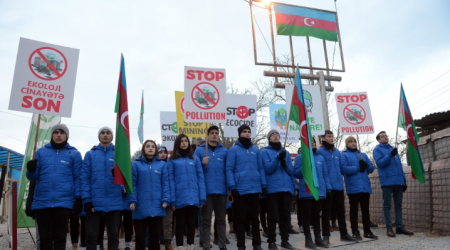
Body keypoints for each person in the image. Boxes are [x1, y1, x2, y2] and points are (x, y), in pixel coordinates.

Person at [26, 124, 83, 250]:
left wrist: (78, 198)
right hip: (43, 202)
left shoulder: (74, 154)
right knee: (44, 240)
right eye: (56, 132)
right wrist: (31, 170)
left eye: (62, 132)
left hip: (63, 202)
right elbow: (33, 178)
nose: (58, 135)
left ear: (66, 135)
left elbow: (78, 178)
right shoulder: (40, 152)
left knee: (60, 240)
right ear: (52, 134)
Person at [81, 127, 123, 250]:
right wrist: (86, 199)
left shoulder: (120, 154)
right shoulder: (90, 154)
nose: (105, 135)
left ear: (112, 136)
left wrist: (119, 177)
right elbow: (84, 178)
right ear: (99, 136)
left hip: (114, 200)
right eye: (102, 133)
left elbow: (127, 180)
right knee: (91, 236)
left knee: (113, 236)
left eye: (108, 133)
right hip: (94, 201)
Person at [226, 124, 266, 250]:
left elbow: (261, 169)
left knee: (255, 219)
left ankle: (257, 244)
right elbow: (229, 170)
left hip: (255, 189)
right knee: (240, 219)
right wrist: (233, 187)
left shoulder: (255, 150)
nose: (247, 133)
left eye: (249, 131)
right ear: (239, 134)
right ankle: (241, 245)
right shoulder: (233, 150)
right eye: (244, 131)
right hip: (240, 190)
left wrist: (263, 185)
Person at [317, 130, 357, 244]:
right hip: (327, 187)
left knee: (341, 211)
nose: (331, 138)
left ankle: (344, 234)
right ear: (323, 138)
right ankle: (325, 236)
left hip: (339, 186)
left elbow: (341, 169)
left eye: (332, 136)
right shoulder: (320, 152)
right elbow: (321, 171)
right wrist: (325, 186)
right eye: (329, 136)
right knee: (326, 212)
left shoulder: (337, 152)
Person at [129, 140, 170, 250]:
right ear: (143, 149)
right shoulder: (136, 164)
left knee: (154, 239)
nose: (150, 148)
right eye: (147, 146)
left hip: (157, 206)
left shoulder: (162, 165)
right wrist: (132, 201)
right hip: (140, 206)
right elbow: (133, 184)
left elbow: (165, 183)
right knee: (140, 239)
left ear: (156, 149)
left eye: (153, 146)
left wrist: (165, 200)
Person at [168, 134, 206, 250]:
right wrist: (172, 199)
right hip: (179, 198)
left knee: (191, 224)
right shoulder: (172, 160)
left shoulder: (195, 159)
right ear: (177, 144)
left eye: (186, 141)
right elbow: (171, 181)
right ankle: (179, 246)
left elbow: (200, 179)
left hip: (193, 198)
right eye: (182, 141)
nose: (184, 143)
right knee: (180, 225)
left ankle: (190, 246)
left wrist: (202, 197)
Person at [373, 131, 414, 237]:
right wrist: (390, 155)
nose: (385, 137)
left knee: (399, 205)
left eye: (386, 135)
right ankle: (389, 228)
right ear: (378, 140)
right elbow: (380, 164)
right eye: (382, 136)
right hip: (387, 181)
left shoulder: (393, 148)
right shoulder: (377, 150)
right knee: (387, 205)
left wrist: (403, 179)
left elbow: (399, 166)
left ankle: (399, 227)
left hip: (398, 181)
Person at [194, 125, 228, 250]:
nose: (214, 135)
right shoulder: (199, 151)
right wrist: (202, 164)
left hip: (221, 191)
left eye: (216, 133)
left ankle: (222, 245)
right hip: (206, 192)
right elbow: (195, 171)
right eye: (212, 133)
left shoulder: (224, 151)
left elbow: (227, 170)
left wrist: (229, 187)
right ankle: (206, 245)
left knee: (221, 220)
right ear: (207, 135)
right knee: (206, 220)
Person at [261, 130, 296, 250]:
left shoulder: (285, 152)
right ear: (269, 138)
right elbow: (268, 169)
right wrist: (277, 159)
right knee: (273, 216)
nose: (276, 136)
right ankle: (271, 242)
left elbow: (292, 172)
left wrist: (285, 164)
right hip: (273, 190)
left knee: (285, 217)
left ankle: (285, 240)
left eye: (277, 134)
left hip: (286, 189)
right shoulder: (265, 152)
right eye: (273, 135)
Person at [294, 139, 330, 249]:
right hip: (307, 191)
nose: (312, 143)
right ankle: (308, 239)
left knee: (316, 215)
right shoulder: (300, 157)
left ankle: (318, 238)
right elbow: (296, 173)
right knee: (306, 216)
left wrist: (328, 189)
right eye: (309, 141)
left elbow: (325, 175)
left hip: (319, 191)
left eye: (313, 141)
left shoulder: (320, 158)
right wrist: (306, 165)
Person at [341, 136, 378, 240]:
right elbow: (344, 169)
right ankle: (355, 231)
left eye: (354, 141)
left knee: (365, 210)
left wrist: (365, 165)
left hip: (365, 186)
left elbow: (371, 169)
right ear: (347, 144)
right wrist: (358, 168)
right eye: (351, 142)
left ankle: (367, 231)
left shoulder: (364, 155)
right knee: (354, 210)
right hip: (353, 186)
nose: (353, 143)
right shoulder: (344, 155)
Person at [158, 146, 175, 250]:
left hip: (168, 196)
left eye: (165, 152)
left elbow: (171, 182)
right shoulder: (154, 165)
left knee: (168, 222)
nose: (163, 154)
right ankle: (154, 240)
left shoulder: (170, 164)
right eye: (160, 152)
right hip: (156, 197)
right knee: (156, 222)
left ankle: (167, 242)